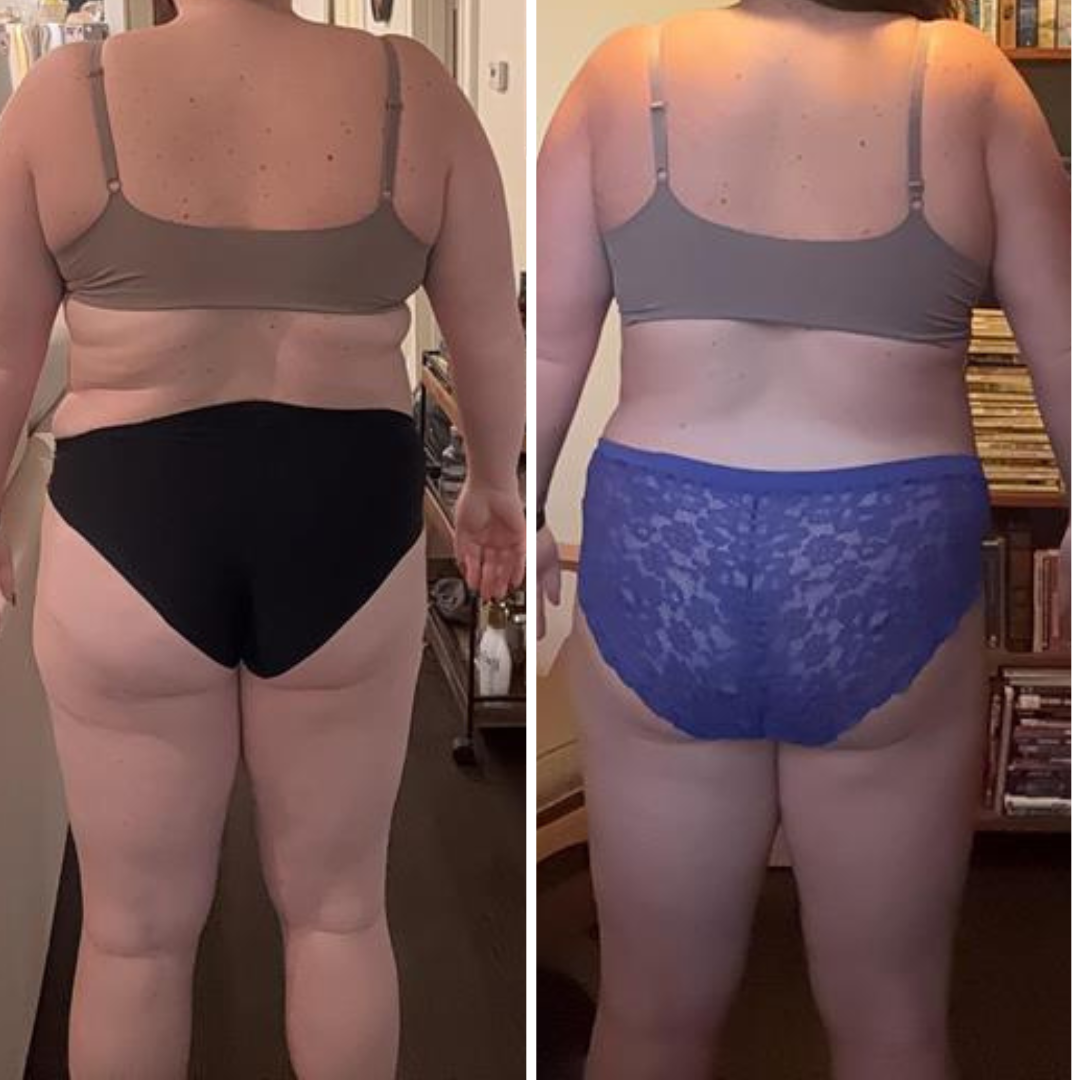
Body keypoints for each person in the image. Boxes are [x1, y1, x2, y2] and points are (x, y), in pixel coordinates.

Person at [536, 4, 1068, 1079]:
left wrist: (515, 499)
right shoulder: (972, 82)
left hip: (661, 554)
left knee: (647, 1017)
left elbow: (547, 345)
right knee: (891, 1022)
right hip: (883, 550)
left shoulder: (618, 75)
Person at [0, 0, 525, 1075]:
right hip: (345, 524)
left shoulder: (60, 100)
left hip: (125, 524)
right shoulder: (415, 93)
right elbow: (489, 337)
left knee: (131, 938)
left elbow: (4, 365)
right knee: (338, 916)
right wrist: (491, 489)